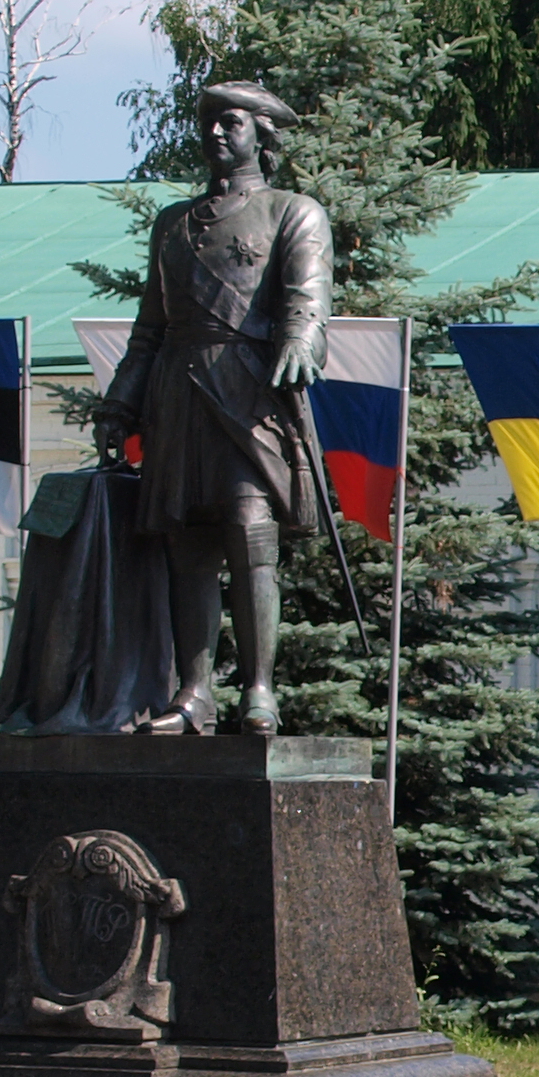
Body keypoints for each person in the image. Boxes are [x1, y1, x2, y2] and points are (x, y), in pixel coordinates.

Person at [91, 81, 331, 734]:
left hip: (249, 392)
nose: (216, 134)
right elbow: (149, 328)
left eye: (230, 122)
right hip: (179, 395)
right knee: (188, 546)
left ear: (262, 133)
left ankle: (258, 689)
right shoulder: (173, 223)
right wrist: (120, 403)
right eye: (209, 124)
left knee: (251, 530)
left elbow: (307, 295)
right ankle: (194, 693)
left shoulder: (292, 212)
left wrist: (300, 341)